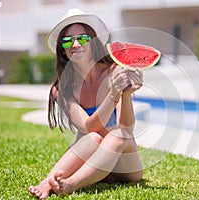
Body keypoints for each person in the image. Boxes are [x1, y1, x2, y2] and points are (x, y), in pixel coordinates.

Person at [28, 8, 143, 199]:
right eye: (67, 41)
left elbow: (127, 129)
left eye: (82, 38)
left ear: (92, 42)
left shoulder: (114, 71)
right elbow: (90, 128)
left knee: (118, 135)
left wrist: (126, 94)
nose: (75, 44)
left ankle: (71, 184)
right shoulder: (62, 89)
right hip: (92, 161)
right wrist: (113, 94)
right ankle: (47, 183)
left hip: (124, 164)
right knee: (92, 138)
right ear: (62, 50)